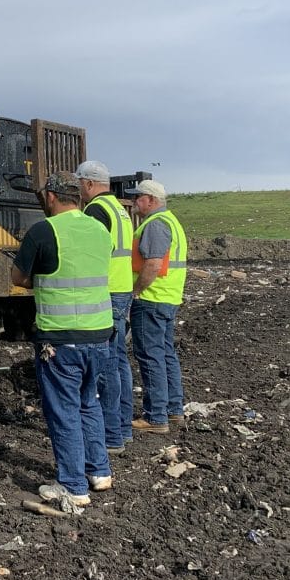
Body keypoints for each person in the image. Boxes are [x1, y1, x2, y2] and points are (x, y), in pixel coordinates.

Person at [11, 172, 114, 508]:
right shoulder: (100, 230)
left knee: (63, 411)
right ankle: (99, 471)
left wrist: (37, 278)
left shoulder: (44, 230)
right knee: (90, 402)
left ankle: (72, 486)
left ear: (51, 197)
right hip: (99, 335)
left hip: (60, 338)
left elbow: (18, 277)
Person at [75, 160, 135, 455]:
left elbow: (90, 251)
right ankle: (122, 427)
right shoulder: (120, 210)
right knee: (119, 361)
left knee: (107, 364)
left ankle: (111, 434)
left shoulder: (96, 210)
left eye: (79, 185)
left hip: (106, 291)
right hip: (122, 288)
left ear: (88, 184)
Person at [127, 179, 188, 435]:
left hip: (152, 299)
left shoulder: (155, 225)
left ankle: (155, 417)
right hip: (167, 298)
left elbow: (152, 264)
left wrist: (136, 292)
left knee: (150, 356)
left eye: (138, 197)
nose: (133, 202)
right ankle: (173, 410)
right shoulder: (171, 221)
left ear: (151, 200)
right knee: (164, 354)